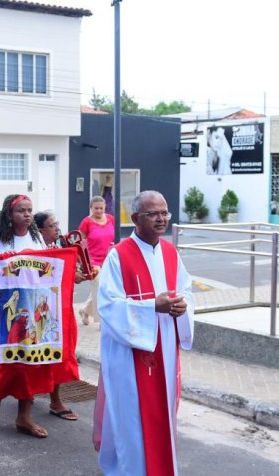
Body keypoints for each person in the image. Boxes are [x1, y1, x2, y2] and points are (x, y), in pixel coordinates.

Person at [95, 190, 194, 475]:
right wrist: (153, 307)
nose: (161, 218)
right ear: (136, 219)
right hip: (129, 353)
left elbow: (185, 289)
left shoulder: (170, 252)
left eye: (164, 212)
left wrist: (182, 306)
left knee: (162, 413)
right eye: (153, 214)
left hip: (165, 346)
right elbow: (109, 305)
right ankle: (130, 469)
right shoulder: (119, 255)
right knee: (130, 416)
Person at [0, 194, 53, 438]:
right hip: (8, 310)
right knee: (8, 363)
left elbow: (48, 269)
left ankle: (24, 416)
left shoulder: (36, 238)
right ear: (9, 215)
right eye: (21, 210)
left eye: (30, 210)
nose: (27, 214)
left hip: (33, 306)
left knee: (31, 363)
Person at [34, 210, 81, 422]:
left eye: (57, 224)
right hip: (41, 309)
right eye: (52, 225)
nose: (58, 229)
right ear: (41, 230)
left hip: (60, 308)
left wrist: (77, 275)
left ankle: (55, 399)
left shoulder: (59, 247)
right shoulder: (33, 249)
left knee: (61, 353)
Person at [78, 195, 115, 325]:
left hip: (108, 259)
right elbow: (79, 241)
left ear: (105, 208)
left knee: (105, 288)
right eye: (96, 208)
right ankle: (103, 321)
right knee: (100, 288)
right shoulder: (87, 222)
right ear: (91, 208)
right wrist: (81, 260)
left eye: (101, 208)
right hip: (92, 260)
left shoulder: (111, 219)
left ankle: (84, 310)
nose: (99, 211)